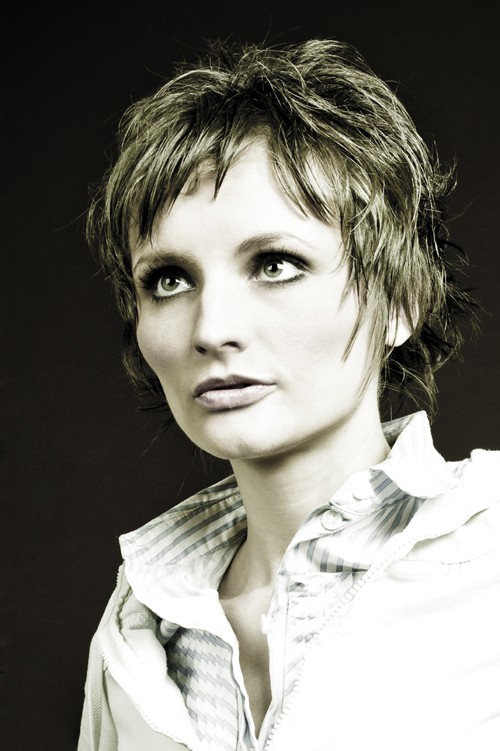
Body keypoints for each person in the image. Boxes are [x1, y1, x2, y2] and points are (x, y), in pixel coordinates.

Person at [77, 38, 500, 751]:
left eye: (275, 264)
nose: (212, 329)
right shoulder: (138, 628)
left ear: (400, 299)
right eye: (170, 280)